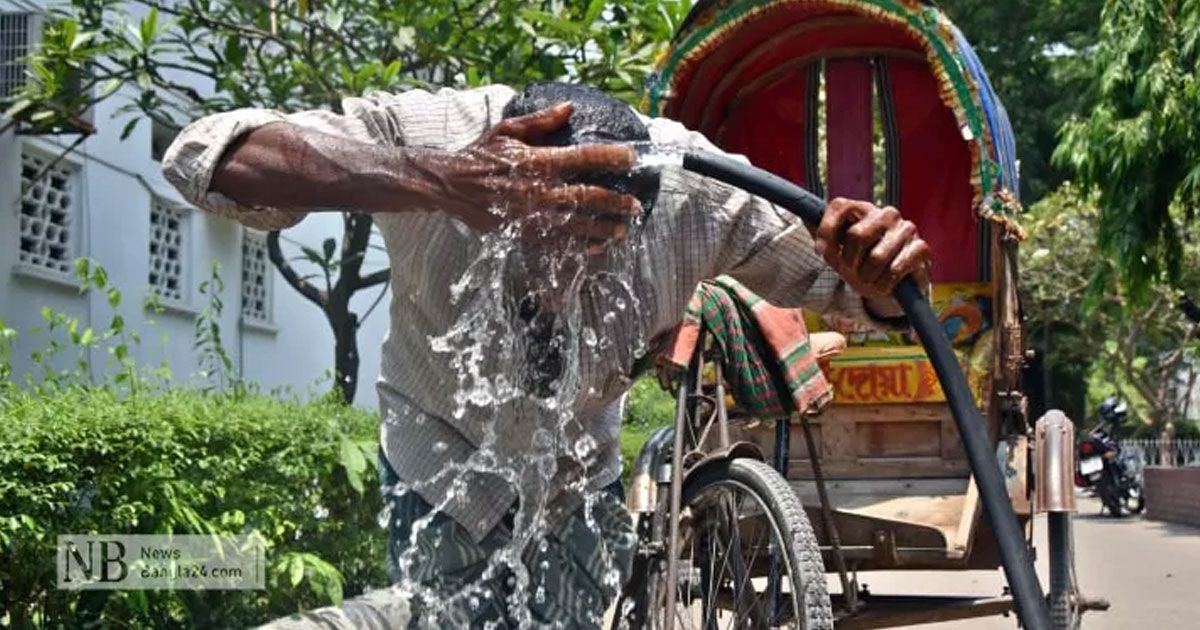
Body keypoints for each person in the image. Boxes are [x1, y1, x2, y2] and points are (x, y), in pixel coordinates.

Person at [163, 82, 930, 628]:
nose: (560, 289)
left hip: (576, 471)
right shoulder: (436, 138)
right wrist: (432, 182)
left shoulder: (696, 192)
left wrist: (884, 269)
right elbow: (204, 156)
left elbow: (858, 286)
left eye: (592, 255)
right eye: (539, 250)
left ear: (640, 222)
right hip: (437, 456)